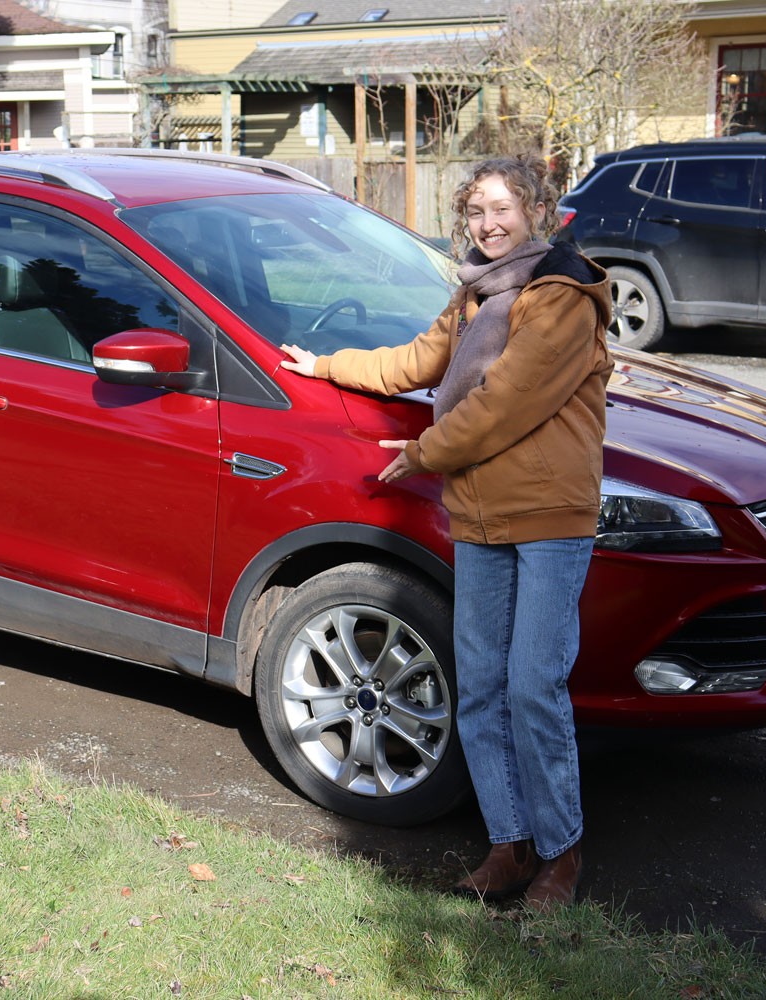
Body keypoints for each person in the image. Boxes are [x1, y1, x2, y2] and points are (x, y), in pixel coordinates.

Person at [279, 156, 612, 912]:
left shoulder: (560, 295)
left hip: (549, 515)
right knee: (483, 689)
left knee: (533, 686)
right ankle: (509, 843)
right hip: (481, 510)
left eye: (504, 209)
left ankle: (561, 853)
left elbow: (504, 402)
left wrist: (421, 455)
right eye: (476, 212)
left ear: (537, 211)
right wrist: (325, 364)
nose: (489, 225)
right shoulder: (474, 296)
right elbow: (418, 361)